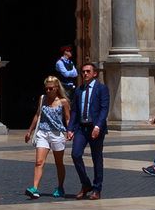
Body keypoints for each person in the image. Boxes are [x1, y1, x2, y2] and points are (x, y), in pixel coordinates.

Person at [24, 75, 72, 197]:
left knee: (59, 163)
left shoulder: (63, 102)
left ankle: (60, 187)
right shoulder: (42, 98)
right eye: (46, 88)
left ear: (57, 88)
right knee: (39, 162)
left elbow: (67, 118)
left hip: (57, 134)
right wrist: (30, 131)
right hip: (43, 133)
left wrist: (70, 131)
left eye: (51, 88)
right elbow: (37, 114)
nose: (48, 91)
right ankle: (34, 188)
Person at [70, 60, 109, 199]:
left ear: (95, 74)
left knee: (96, 158)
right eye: (83, 71)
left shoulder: (102, 88)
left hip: (95, 127)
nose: (85, 74)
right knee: (75, 154)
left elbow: (104, 109)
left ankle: (97, 188)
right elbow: (74, 110)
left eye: (88, 71)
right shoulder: (79, 90)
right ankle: (85, 183)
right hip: (81, 127)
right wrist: (70, 128)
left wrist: (98, 126)